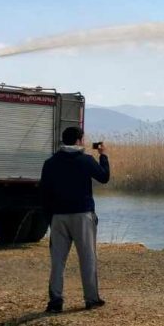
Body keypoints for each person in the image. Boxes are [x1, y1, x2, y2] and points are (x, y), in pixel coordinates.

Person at [40, 126, 110, 313]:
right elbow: (104, 177)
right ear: (79, 141)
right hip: (82, 215)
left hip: (58, 216)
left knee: (58, 261)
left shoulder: (51, 163)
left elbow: (44, 193)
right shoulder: (85, 160)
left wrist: (50, 217)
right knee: (87, 258)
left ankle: (55, 301)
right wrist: (103, 155)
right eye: (83, 139)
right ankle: (91, 299)